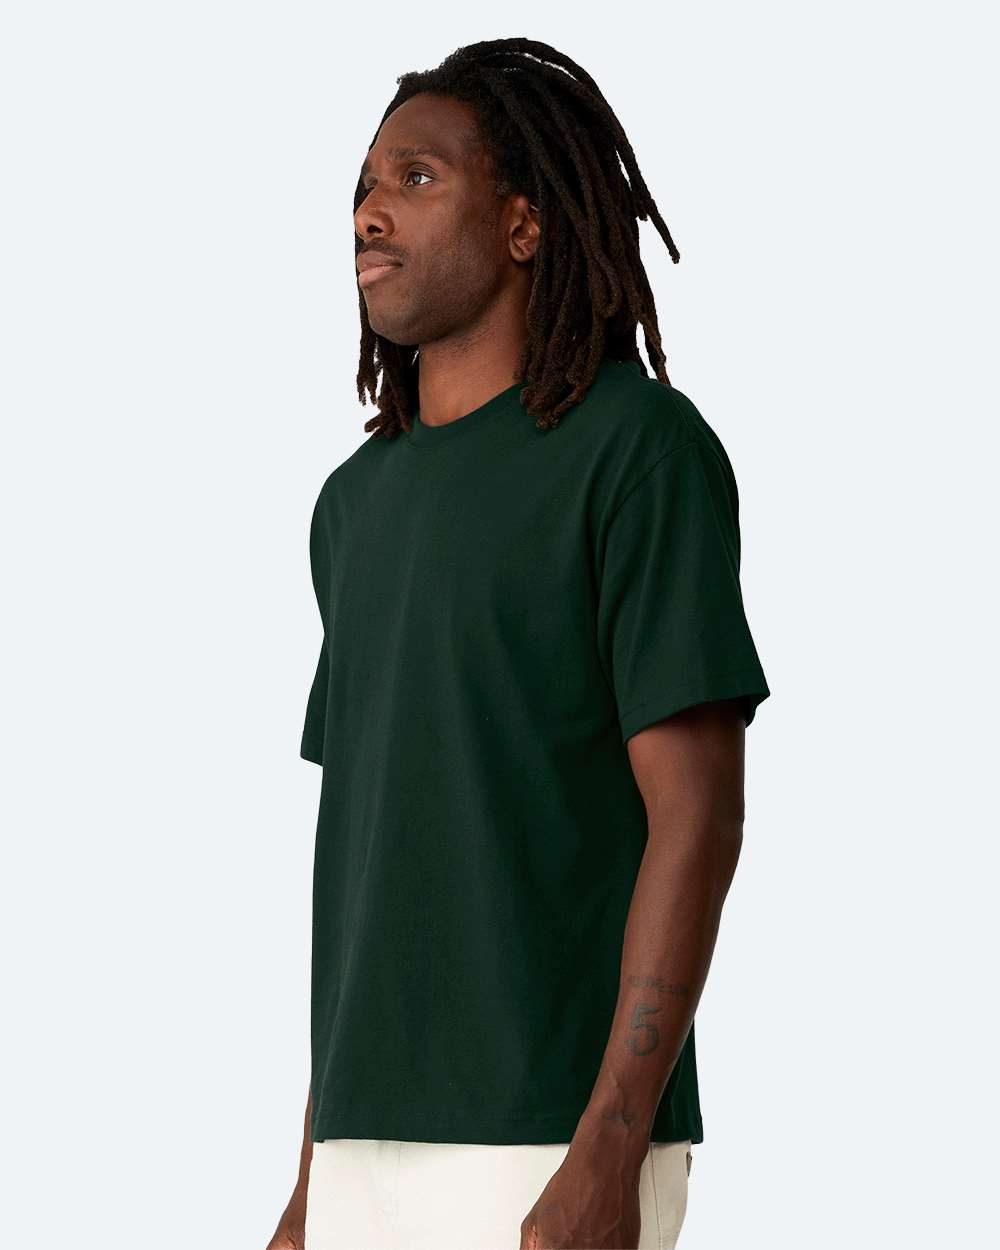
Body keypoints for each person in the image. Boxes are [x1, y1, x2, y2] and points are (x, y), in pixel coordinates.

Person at [266, 37, 770, 1250]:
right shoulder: (352, 506)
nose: (369, 212)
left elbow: (697, 813)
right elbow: (375, 863)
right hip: (362, 1149)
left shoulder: (637, 453)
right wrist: (307, 1179)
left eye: (417, 178)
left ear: (524, 225)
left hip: (544, 1142)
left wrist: (609, 1146)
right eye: (363, 186)